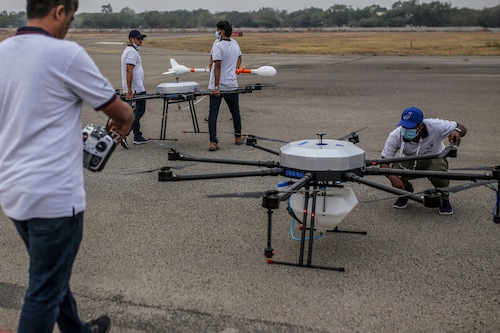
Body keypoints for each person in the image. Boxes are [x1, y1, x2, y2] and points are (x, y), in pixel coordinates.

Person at [0, 1, 134, 332]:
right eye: (70, 18)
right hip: (54, 200)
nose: (68, 27)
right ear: (60, 11)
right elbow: (121, 113)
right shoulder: (65, 54)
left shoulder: (3, 53)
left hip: (15, 194)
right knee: (44, 290)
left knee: (50, 274)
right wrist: (124, 123)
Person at [380, 107, 466, 215]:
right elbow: (384, 162)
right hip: (410, 160)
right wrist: (392, 176)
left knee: (438, 170)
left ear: (421, 125)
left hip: (434, 159)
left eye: (411, 127)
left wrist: (456, 131)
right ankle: (404, 193)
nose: (406, 130)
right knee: (395, 171)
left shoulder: (435, 125)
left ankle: (444, 199)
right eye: (404, 126)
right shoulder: (396, 135)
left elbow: (461, 127)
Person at [207, 20, 246, 151]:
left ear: (222, 31)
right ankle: (238, 136)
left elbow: (217, 66)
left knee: (213, 113)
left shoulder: (218, 45)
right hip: (232, 84)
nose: (216, 32)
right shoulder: (235, 43)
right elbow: (239, 57)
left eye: (218, 30)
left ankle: (213, 141)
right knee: (235, 111)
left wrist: (217, 87)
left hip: (219, 85)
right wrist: (236, 67)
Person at [121, 29, 149, 148]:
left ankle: (137, 136)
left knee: (135, 112)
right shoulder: (131, 52)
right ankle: (124, 133)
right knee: (140, 111)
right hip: (136, 89)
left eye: (142, 38)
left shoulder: (130, 50)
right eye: (138, 38)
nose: (141, 40)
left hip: (134, 87)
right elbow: (129, 70)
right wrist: (130, 90)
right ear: (131, 39)